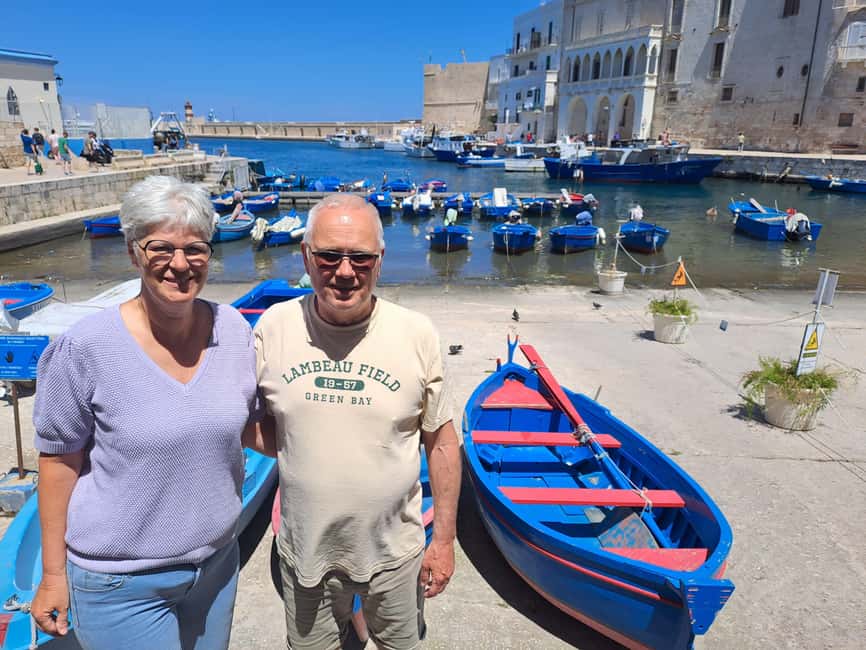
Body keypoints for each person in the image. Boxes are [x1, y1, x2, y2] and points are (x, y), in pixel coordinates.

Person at [30, 175, 257, 650]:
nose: (180, 264)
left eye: (196, 248)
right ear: (133, 251)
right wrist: (53, 574)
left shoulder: (233, 329)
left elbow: (250, 425)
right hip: (121, 585)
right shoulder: (85, 347)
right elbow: (58, 463)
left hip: (215, 568)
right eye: (161, 248)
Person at [247, 193, 461, 649]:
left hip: (395, 553)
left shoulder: (416, 333)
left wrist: (443, 540)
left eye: (360, 258)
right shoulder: (273, 327)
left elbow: (441, 442)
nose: (345, 272)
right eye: (328, 256)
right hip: (305, 552)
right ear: (306, 256)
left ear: (379, 260)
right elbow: (261, 429)